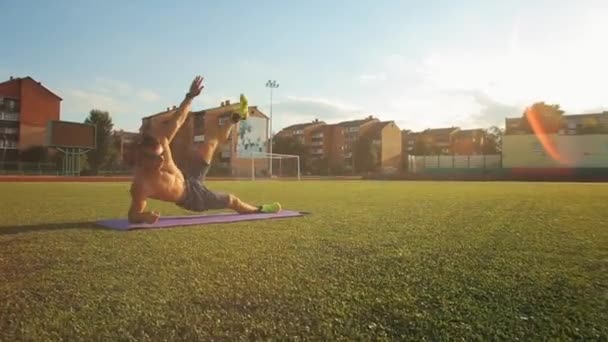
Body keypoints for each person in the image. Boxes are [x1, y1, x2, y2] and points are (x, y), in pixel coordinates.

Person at [128, 75, 281, 224]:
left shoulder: (162, 142)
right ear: (141, 159)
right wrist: (144, 217)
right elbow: (133, 215)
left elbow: (178, 120)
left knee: (210, 143)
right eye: (155, 158)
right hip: (192, 197)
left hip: (189, 177)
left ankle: (235, 119)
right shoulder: (141, 184)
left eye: (161, 155)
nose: (161, 159)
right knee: (232, 200)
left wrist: (190, 96)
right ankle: (261, 210)